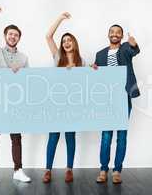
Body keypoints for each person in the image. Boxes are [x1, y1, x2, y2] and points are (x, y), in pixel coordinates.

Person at [0, 6, 31, 184]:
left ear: (19, 38)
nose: (13, 37)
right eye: (10, 34)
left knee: (16, 137)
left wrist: (21, 75)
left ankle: (18, 169)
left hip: (16, 102)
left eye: (16, 35)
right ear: (5, 36)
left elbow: (28, 81)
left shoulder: (24, 58)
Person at [42, 12, 85, 183]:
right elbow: (48, 36)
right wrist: (60, 18)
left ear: (74, 43)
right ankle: (48, 170)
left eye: (69, 40)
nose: (66, 42)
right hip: (56, 103)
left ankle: (69, 169)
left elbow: (87, 82)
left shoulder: (82, 60)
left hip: (72, 105)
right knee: (53, 136)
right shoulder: (57, 57)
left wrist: (94, 69)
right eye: (64, 41)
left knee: (70, 136)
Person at [95, 24, 140, 184]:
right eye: (112, 32)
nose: (115, 34)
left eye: (118, 32)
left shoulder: (126, 49)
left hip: (123, 97)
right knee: (106, 135)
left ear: (121, 36)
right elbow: (97, 77)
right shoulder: (100, 54)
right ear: (108, 34)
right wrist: (94, 69)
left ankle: (117, 170)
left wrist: (133, 44)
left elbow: (134, 51)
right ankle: (103, 169)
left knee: (121, 136)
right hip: (107, 99)